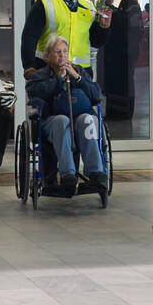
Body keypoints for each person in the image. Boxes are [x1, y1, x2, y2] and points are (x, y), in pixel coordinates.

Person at [27, 36, 107, 194]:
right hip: (52, 120)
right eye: (57, 52)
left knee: (88, 119)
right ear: (48, 56)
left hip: (79, 118)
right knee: (62, 121)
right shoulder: (40, 75)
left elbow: (96, 94)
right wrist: (59, 79)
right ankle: (68, 175)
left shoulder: (78, 70)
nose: (62, 55)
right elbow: (35, 93)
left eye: (65, 51)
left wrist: (77, 77)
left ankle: (96, 173)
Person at [20, 0, 111, 74]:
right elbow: (29, 36)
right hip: (48, 70)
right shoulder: (44, 2)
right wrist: (28, 66)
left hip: (80, 73)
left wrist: (103, 27)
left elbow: (96, 42)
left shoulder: (89, 6)